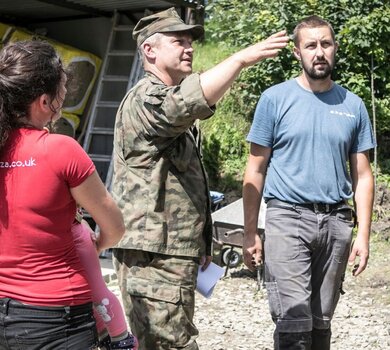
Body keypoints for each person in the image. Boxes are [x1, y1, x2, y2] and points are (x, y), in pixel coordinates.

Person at [111, 7, 289, 350]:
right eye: (179, 41)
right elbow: (187, 102)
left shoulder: (163, 99)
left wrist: (200, 243)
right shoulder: (146, 98)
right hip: (153, 255)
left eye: (191, 41)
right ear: (150, 50)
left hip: (169, 251)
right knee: (169, 343)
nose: (189, 47)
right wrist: (239, 60)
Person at [242, 15, 376, 350]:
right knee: (293, 323)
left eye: (326, 44)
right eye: (311, 45)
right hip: (288, 218)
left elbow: (362, 176)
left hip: (336, 223)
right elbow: (255, 170)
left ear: (335, 48)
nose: (319, 52)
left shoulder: (353, 105)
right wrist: (249, 233)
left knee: (320, 323)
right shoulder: (274, 99)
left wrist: (363, 235)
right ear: (297, 53)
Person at [0, 40, 125, 350]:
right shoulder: (60, 150)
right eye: (64, 89)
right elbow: (114, 226)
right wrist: (98, 245)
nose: (66, 95)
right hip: (56, 316)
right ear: (45, 101)